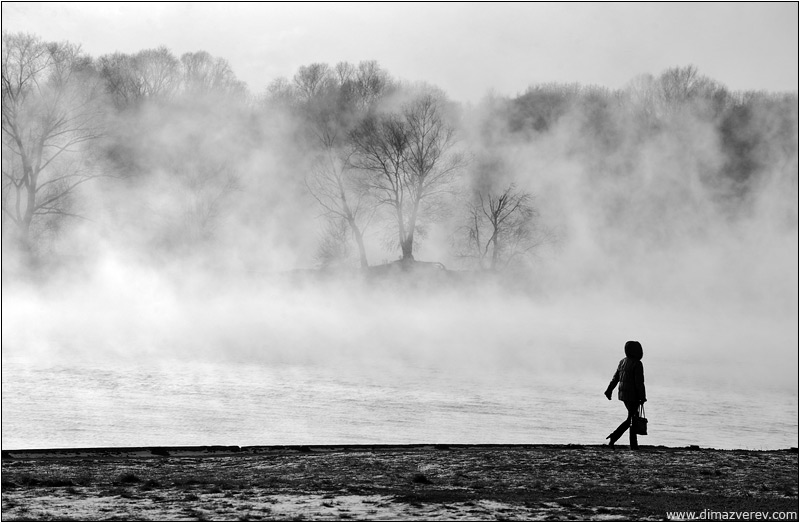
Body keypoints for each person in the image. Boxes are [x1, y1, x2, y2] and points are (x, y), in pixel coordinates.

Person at [604, 340, 647, 450]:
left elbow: (615, 378)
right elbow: (639, 383)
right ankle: (632, 444)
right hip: (633, 396)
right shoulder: (637, 364)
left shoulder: (622, 362)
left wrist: (609, 390)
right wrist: (642, 397)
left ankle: (615, 438)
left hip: (623, 394)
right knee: (632, 419)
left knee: (631, 419)